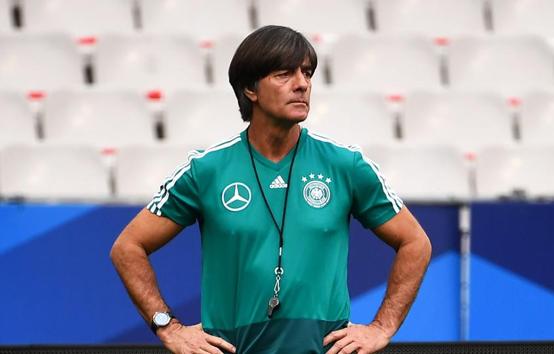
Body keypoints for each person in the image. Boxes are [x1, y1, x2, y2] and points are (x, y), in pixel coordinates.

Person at [110, 25, 432, 354]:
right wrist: (169, 328)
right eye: (284, 74)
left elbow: (415, 242)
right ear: (251, 89)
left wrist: (382, 327)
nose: (302, 84)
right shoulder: (205, 169)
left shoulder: (346, 165)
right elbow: (127, 248)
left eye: (307, 73)